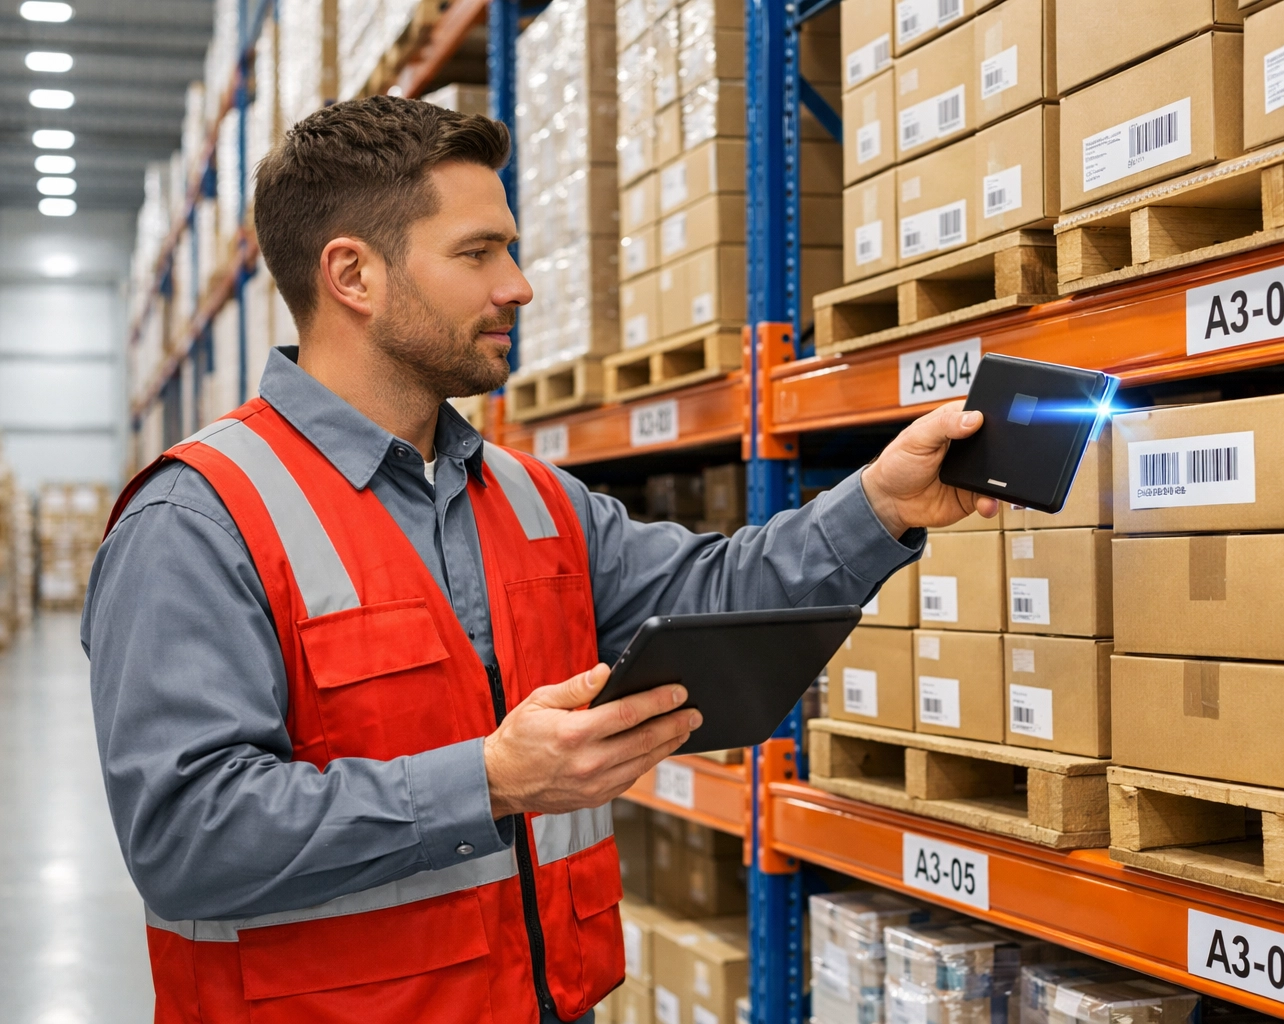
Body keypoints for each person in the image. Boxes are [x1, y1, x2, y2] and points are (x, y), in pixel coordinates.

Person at [83, 96, 996, 1024]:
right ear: (352, 274)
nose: (517, 285)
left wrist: (881, 502)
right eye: (478, 254)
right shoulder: (197, 519)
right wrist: (485, 779)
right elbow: (184, 833)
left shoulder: (533, 499)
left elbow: (713, 600)